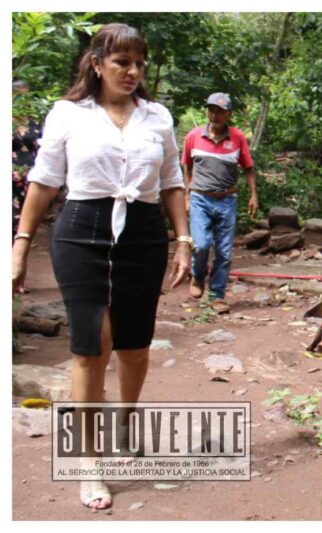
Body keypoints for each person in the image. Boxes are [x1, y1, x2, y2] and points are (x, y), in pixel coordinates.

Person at [11, 23, 191, 510]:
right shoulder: (69, 113)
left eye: (138, 64)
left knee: (134, 345)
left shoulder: (157, 117)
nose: (132, 72)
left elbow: (173, 182)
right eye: (121, 63)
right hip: (81, 231)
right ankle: (89, 461)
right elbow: (45, 182)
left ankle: (126, 421)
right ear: (96, 64)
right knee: (91, 346)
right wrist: (21, 245)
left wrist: (184, 242)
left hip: (143, 234)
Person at [181, 92, 258, 314]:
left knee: (224, 251)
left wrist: (253, 195)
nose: (215, 115)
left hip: (227, 199)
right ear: (207, 111)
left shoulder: (237, 138)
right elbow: (187, 166)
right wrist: (187, 195)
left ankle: (217, 294)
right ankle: (197, 276)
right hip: (200, 198)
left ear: (228, 114)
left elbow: (248, 168)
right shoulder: (193, 136)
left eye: (220, 111)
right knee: (201, 244)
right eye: (212, 110)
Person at [12, 80, 42, 240]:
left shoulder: (35, 121)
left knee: (26, 221)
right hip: (11, 177)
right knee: (13, 220)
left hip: (31, 178)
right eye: (18, 96)